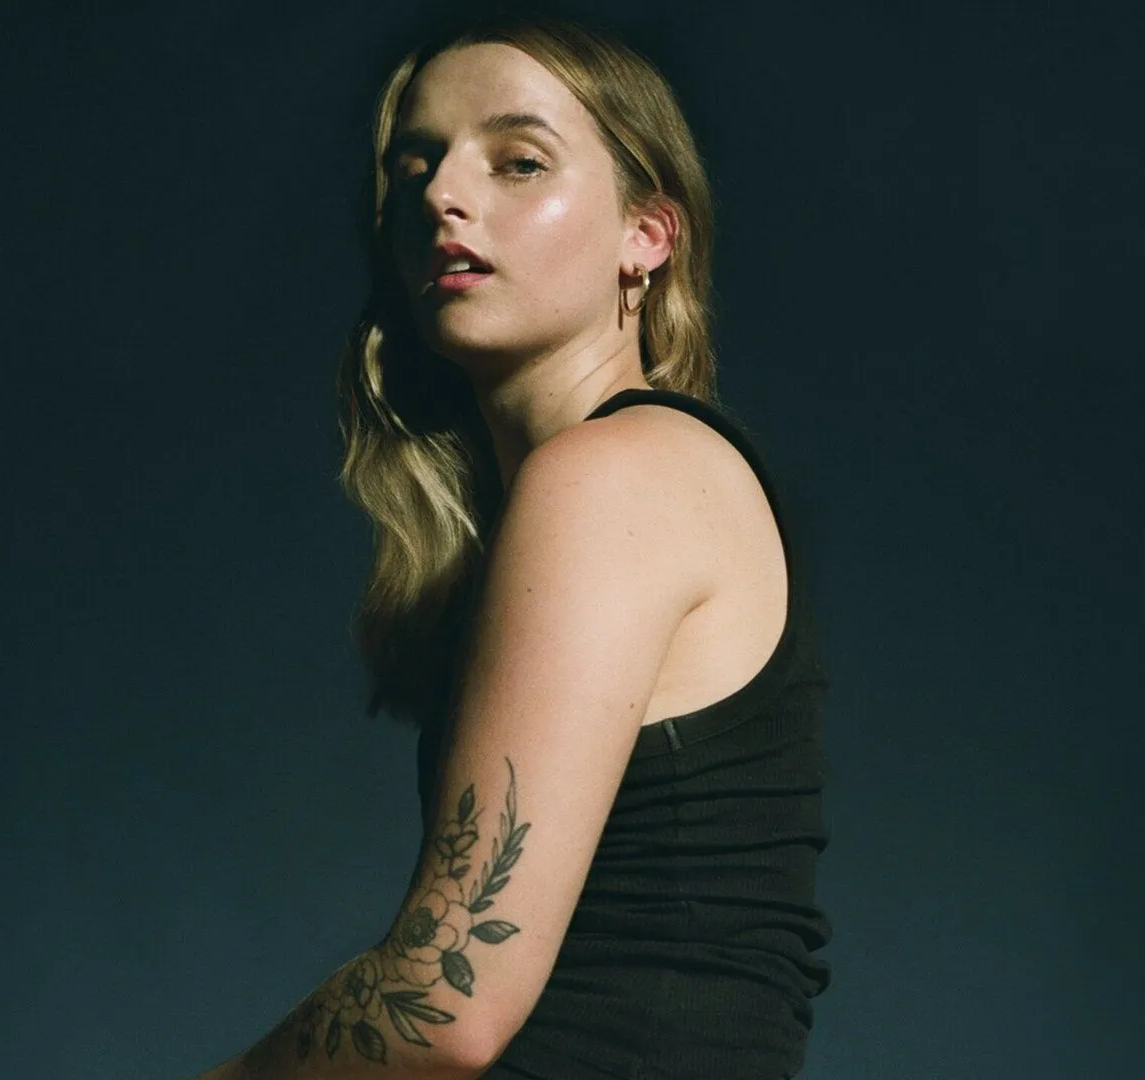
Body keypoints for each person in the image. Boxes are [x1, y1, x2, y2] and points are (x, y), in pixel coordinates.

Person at [196, 8, 831, 1079]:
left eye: (518, 162)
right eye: (416, 164)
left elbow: (446, 999)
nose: (443, 194)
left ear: (647, 236)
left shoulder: (614, 474)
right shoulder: (619, 481)